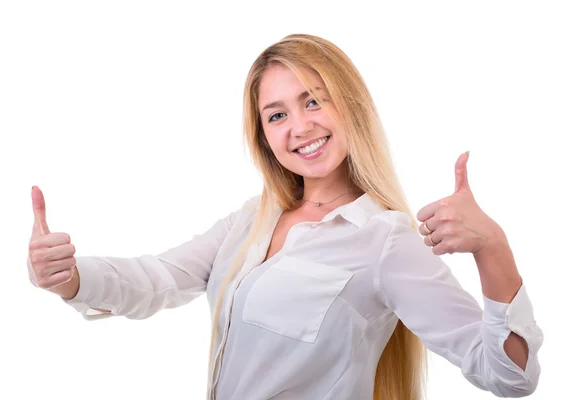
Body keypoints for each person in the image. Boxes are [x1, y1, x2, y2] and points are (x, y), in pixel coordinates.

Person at [27, 34, 543, 399]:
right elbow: (160, 276)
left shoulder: (386, 241)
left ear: (350, 106)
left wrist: (491, 247)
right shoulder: (253, 219)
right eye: (277, 114)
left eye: (313, 101)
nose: (299, 126)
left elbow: (508, 377)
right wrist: (71, 278)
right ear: (264, 136)